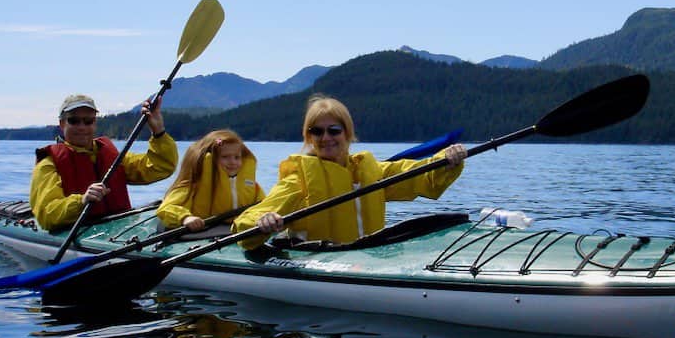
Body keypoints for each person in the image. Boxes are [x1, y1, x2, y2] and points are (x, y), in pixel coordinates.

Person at [234, 94, 467, 245]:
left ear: (347, 133)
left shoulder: (372, 172)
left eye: (334, 130)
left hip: (368, 257)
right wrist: (262, 222)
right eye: (317, 131)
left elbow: (422, 177)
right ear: (309, 137)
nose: (326, 138)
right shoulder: (298, 181)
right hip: (321, 261)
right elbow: (252, 218)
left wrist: (446, 159)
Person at [30, 93, 179, 231]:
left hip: (118, 229)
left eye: (88, 121)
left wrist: (158, 131)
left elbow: (160, 167)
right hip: (76, 231)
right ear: (62, 124)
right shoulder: (49, 164)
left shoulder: (112, 156)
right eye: (74, 121)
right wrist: (82, 201)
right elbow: (46, 215)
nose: (82, 127)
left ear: (95, 123)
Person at [157, 129, 266, 231]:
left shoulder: (252, 186)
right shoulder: (191, 185)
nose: (232, 162)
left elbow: (265, 205)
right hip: (202, 231)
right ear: (209, 158)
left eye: (237, 157)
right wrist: (185, 218)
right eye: (225, 157)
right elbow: (167, 208)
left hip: (237, 231)